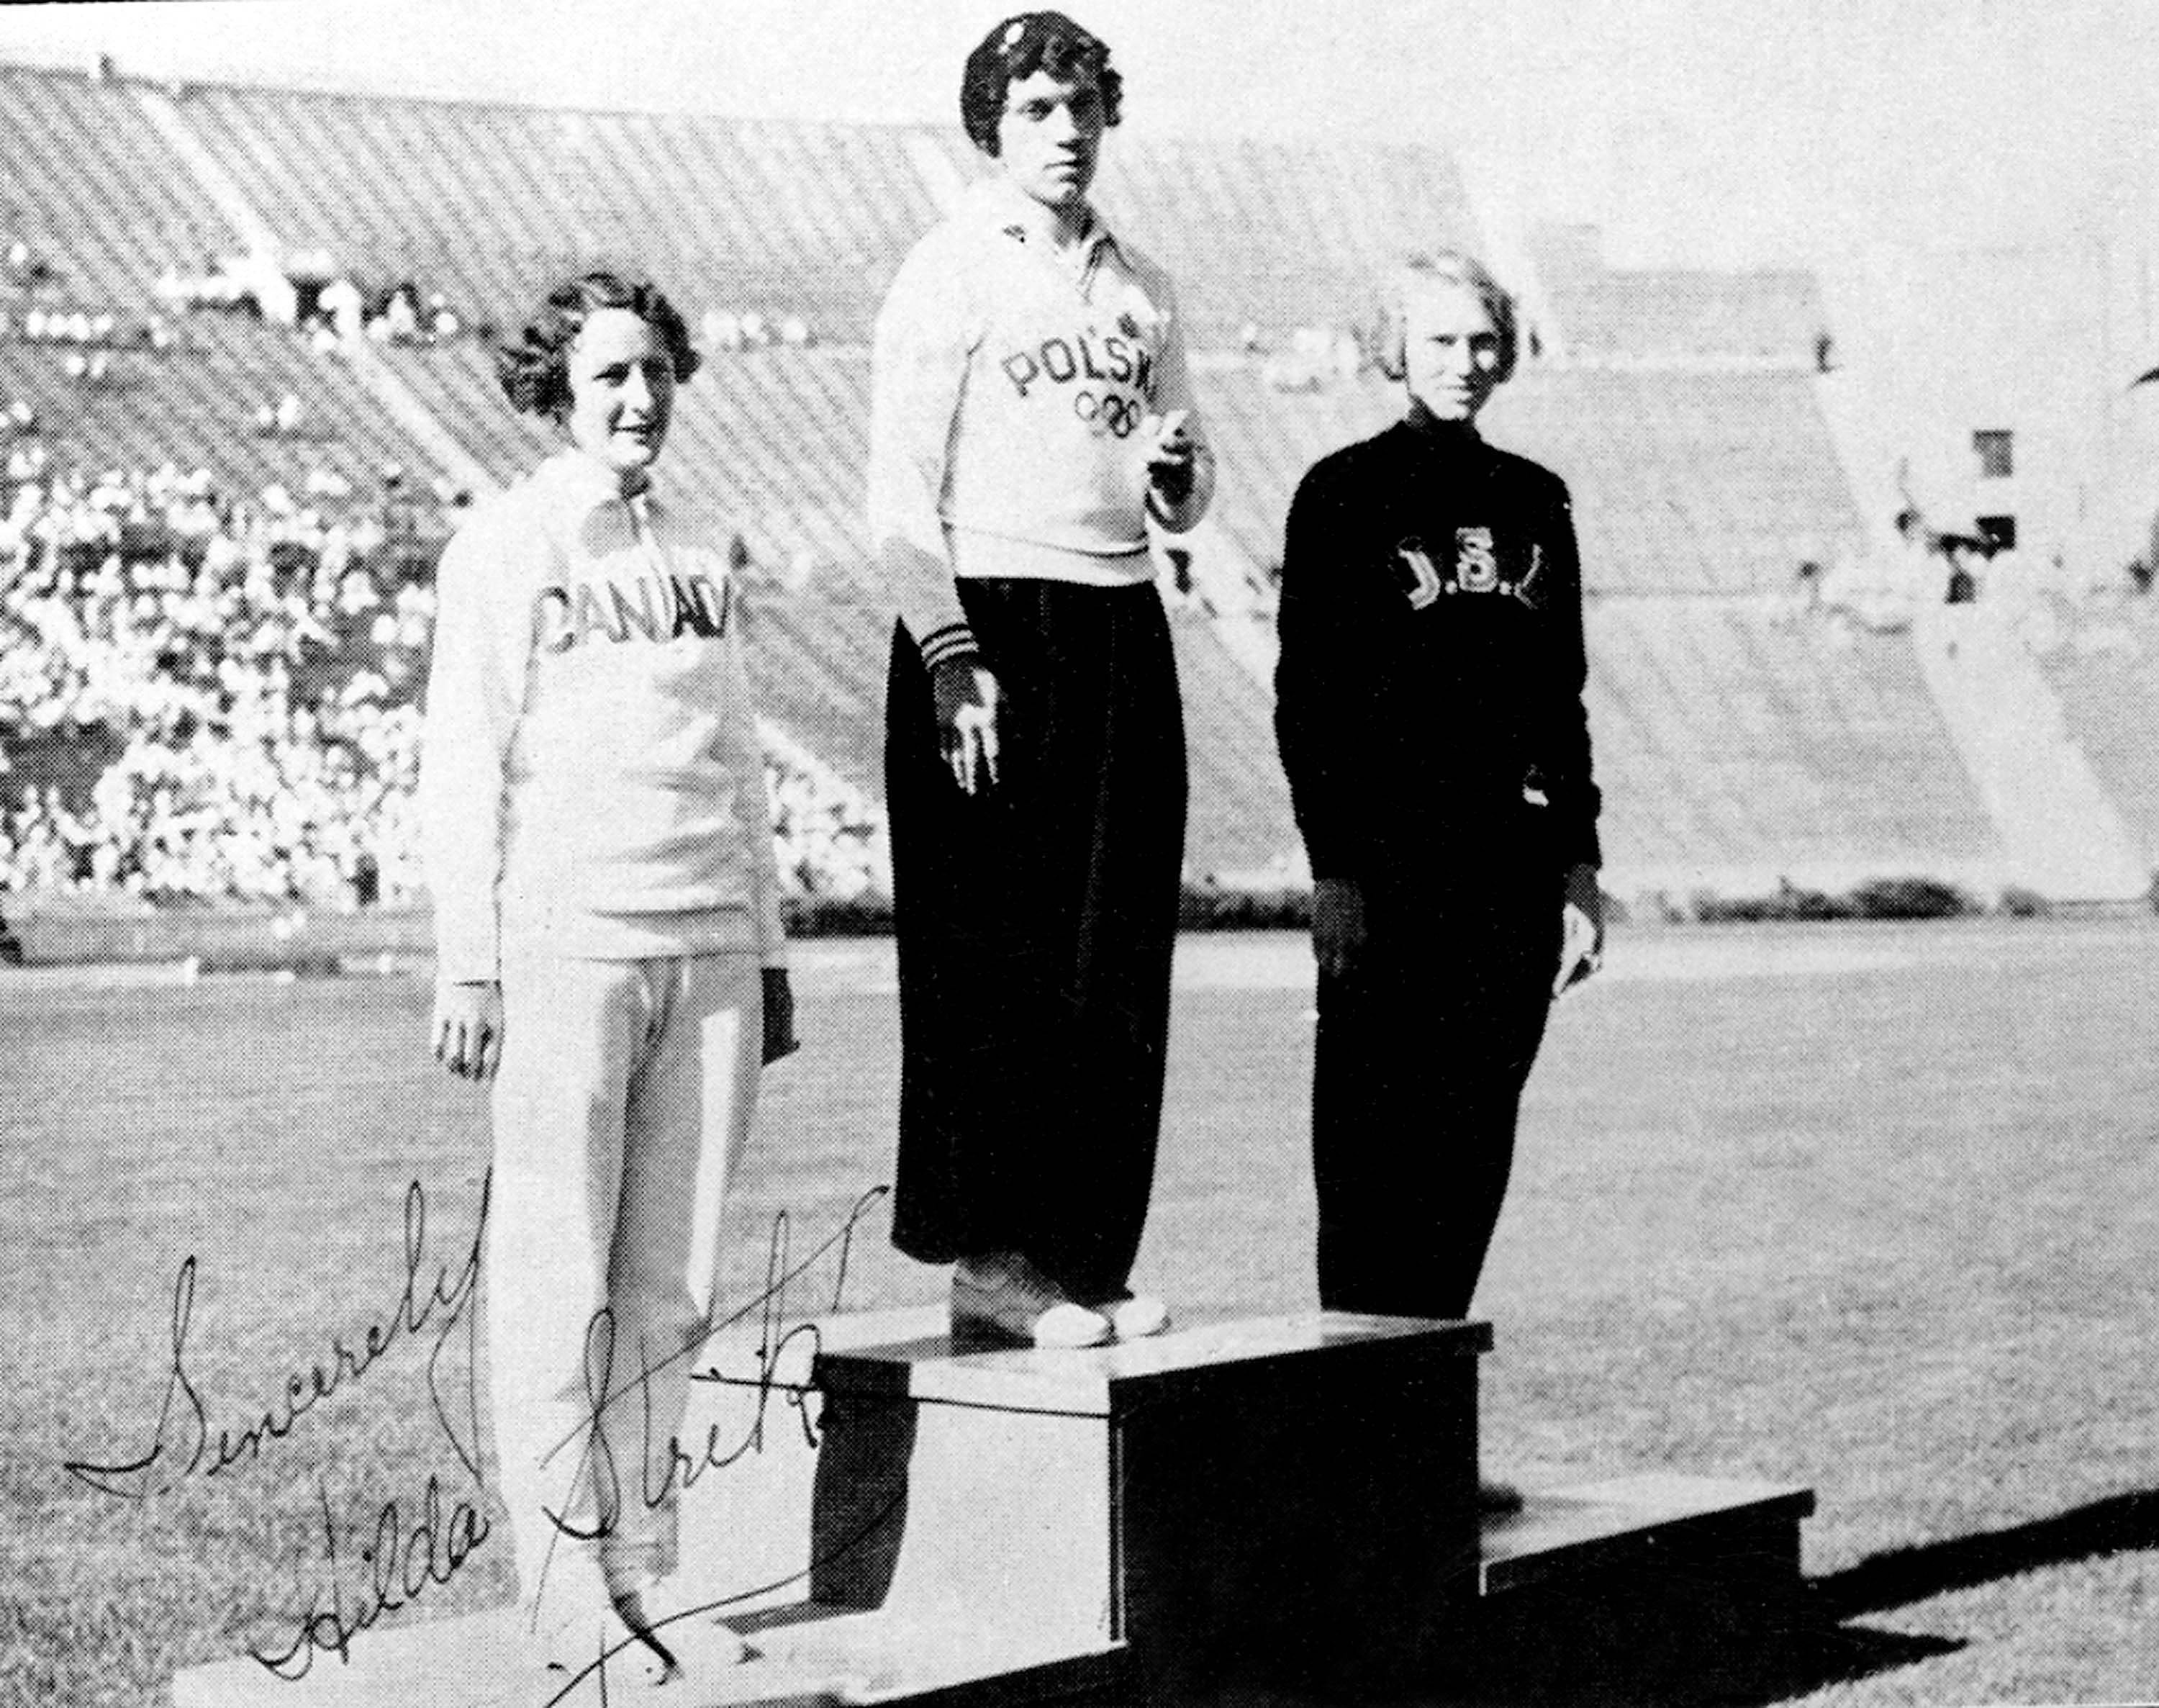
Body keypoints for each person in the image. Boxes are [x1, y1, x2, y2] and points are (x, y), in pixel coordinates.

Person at [420, 269, 795, 1686]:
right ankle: (565, 1582)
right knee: (555, 1275)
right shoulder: (506, 545)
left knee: (670, 1285)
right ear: (553, 395)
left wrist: (766, 946)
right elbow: (464, 756)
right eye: (609, 379)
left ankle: (648, 1571)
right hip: (568, 945)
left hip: (706, 946)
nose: (640, 400)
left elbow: (745, 765)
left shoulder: (699, 550)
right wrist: (470, 955)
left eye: (656, 373)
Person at [868, 11, 1214, 1349]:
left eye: (1083, 106)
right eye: (1036, 111)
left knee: (1112, 958)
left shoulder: (1143, 283)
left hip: (1121, 613)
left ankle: (1085, 1252)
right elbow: (899, 486)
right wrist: (950, 651)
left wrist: (1180, 482)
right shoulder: (949, 268)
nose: (1067, 133)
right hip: (986, 628)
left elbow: (1189, 491)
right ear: (990, 128)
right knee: (994, 960)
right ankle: (996, 1258)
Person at [1274, 250, 1603, 1334]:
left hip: (1505, 880)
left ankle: (1426, 1454)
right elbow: (1307, 707)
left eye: (1480, 342)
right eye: (1439, 341)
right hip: (1390, 874)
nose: (1463, 362)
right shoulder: (1343, 492)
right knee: (1370, 1169)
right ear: (1395, 352)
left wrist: (1580, 868)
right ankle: (1361, 1468)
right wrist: (1335, 874)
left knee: (1470, 1163)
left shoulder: (1536, 498)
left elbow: (1562, 700)